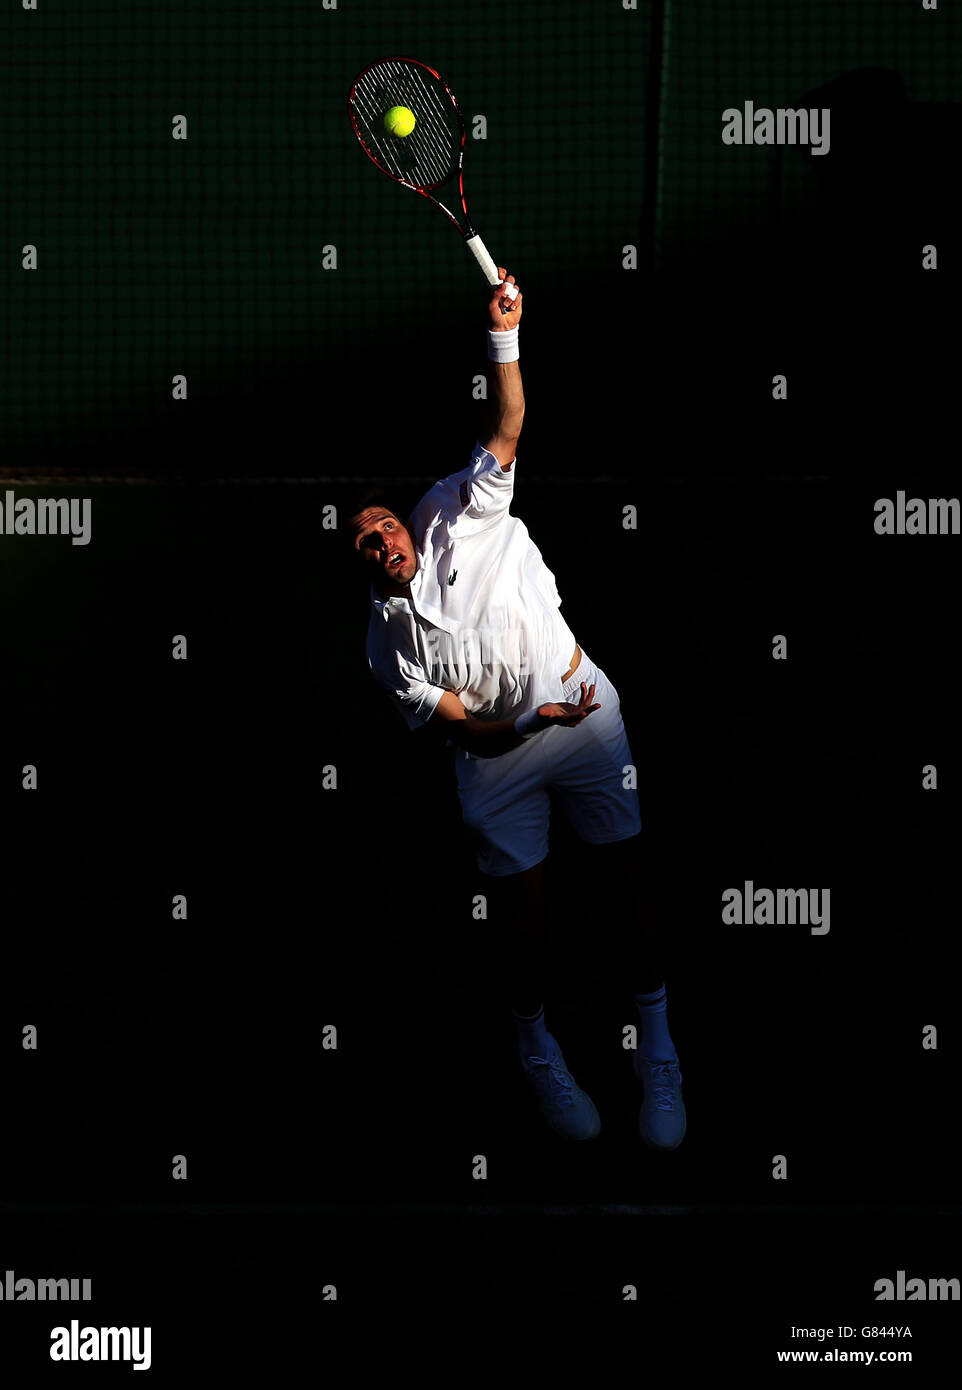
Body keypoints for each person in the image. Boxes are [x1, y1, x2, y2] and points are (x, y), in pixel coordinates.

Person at [350, 270, 685, 1149]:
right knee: (524, 914)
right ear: (362, 566)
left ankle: (656, 1039)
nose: (381, 537)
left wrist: (506, 335)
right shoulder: (388, 645)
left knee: (625, 878)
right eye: (363, 540)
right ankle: (536, 1044)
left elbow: (508, 424)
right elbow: (462, 726)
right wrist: (528, 726)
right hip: (502, 757)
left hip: (583, 707)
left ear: (403, 524)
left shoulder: (461, 511)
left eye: (382, 522)